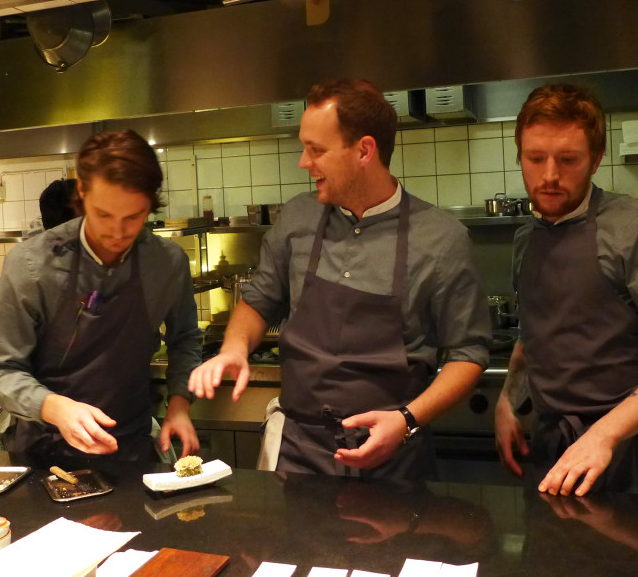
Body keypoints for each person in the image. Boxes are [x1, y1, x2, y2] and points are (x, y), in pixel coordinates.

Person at [189, 78, 490, 480]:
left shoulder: (442, 239)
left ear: (364, 150)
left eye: (317, 150)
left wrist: (406, 420)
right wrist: (234, 348)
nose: (303, 162)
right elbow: (258, 301)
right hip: (298, 454)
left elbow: (468, 354)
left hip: (392, 460)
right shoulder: (297, 219)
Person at [494, 84, 638, 497]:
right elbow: (535, 333)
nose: (549, 176)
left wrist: (602, 437)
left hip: (634, 456)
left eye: (568, 160)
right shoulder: (527, 239)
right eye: (535, 158)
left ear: (595, 160)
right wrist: (509, 400)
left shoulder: (637, 228)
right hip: (556, 453)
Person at [0, 130, 202, 463]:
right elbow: (0, 370)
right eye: (104, 215)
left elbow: (185, 339)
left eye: (133, 218)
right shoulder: (30, 264)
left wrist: (180, 405)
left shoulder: (167, 262)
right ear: (81, 192)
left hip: (131, 447)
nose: (117, 233)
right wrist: (55, 407)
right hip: (45, 452)